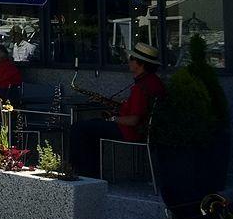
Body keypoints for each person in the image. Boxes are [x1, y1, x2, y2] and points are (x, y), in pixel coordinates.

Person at [69, 43, 166, 178]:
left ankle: (85, 174)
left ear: (140, 64)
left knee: (79, 129)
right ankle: (90, 174)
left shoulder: (141, 87)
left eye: (132, 59)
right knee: (91, 126)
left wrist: (112, 118)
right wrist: (114, 105)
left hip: (131, 131)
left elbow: (133, 120)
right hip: (141, 130)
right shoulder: (154, 82)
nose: (129, 61)